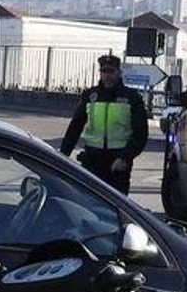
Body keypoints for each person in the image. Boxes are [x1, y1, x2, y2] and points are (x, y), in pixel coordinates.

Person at [59, 53, 149, 194]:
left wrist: (125, 158)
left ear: (119, 72)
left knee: (116, 205)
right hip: (92, 159)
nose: (107, 75)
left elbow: (141, 133)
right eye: (104, 71)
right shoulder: (90, 95)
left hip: (117, 161)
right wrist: (63, 155)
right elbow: (75, 126)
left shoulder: (131, 97)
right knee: (88, 201)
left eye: (111, 71)